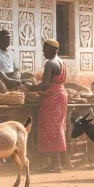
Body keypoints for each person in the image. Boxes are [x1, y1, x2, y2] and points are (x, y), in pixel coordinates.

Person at [25, 39, 69, 172]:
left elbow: (44, 85)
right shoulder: (61, 62)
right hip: (60, 96)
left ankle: (56, 164)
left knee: (52, 129)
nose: (43, 52)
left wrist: (29, 87)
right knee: (58, 128)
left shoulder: (50, 63)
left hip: (52, 98)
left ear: (54, 50)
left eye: (45, 49)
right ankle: (58, 162)